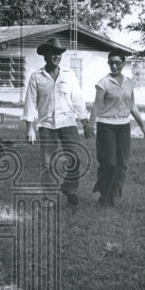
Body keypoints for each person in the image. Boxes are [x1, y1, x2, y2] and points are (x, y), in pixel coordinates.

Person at [22, 37, 91, 207]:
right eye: (53, 53)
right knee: (47, 162)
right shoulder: (36, 77)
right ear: (45, 56)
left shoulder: (69, 74)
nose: (56, 56)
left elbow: (77, 99)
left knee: (75, 157)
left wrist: (85, 122)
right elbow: (30, 102)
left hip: (68, 123)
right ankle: (49, 197)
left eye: (59, 53)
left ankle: (69, 188)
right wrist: (30, 128)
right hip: (46, 125)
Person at [84, 49, 145, 207]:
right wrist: (90, 125)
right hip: (106, 126)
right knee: (110, 163)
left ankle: (114, 194)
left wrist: (142, 126)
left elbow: (132, 106)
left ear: (123, 63)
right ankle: (103, 191)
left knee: (122, 163)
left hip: (123, 127)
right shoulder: (103, 83)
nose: (114, 66)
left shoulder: (129, 82)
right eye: (111, 63)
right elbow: (97, 105)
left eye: (117, 63)